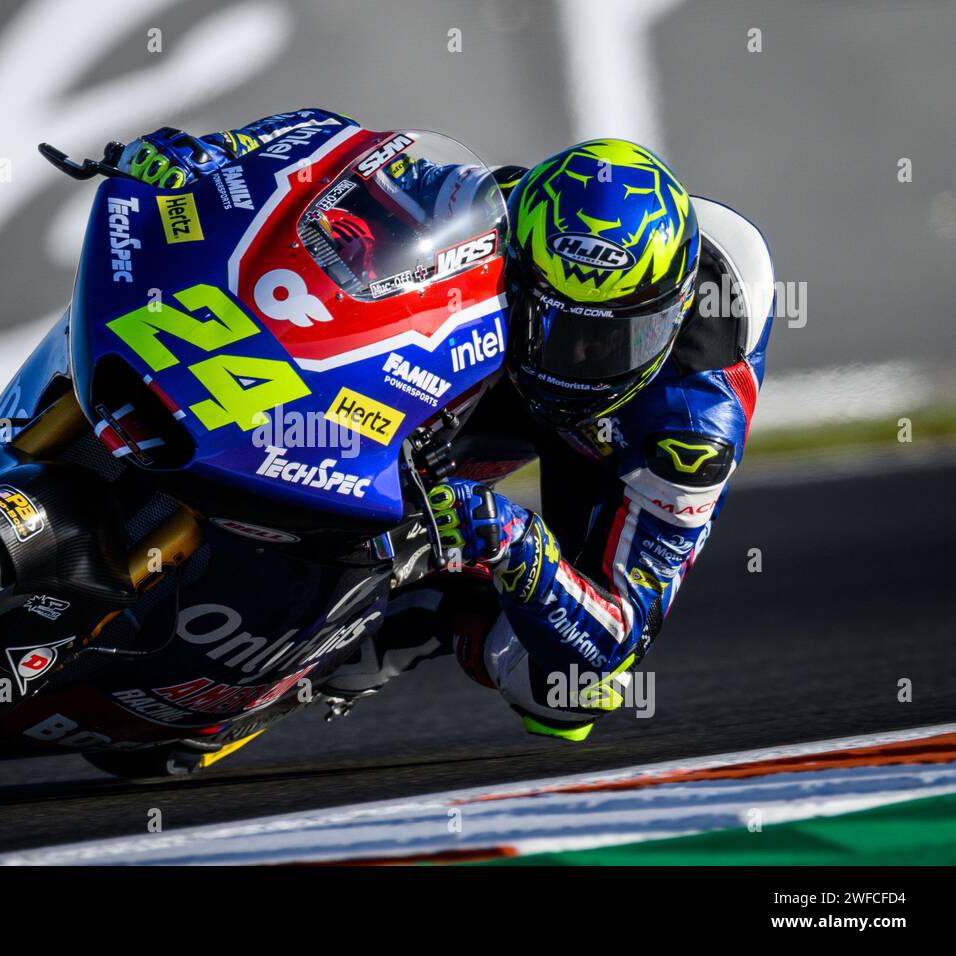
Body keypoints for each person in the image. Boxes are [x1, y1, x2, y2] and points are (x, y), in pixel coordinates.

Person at [111, 108, 774, 741]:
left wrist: (510, 539)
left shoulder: (692, 430)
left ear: (671, 314)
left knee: (567, 691)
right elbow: (329, 151)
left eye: (608, 343)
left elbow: (611, 638)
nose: (577, 358)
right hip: (504, 364)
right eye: (559, 326)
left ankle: (425, 614)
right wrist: (218, 161)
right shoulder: (493, 209)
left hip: (614, 439)